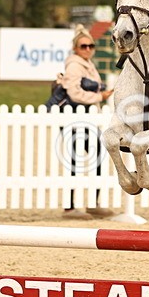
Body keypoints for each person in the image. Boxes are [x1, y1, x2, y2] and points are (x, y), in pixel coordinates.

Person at [60, 26, 113, 219]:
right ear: (76, 48)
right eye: (83, 46)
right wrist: (99, 97)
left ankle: (92, 202)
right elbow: (74, 93)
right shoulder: (75, 66)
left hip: (88, 119)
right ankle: (70, 207)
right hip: (76, 119)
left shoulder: (87, 64)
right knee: (76, 162)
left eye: (91, 46)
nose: (88, 49)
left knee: (96, 158)